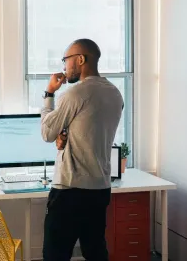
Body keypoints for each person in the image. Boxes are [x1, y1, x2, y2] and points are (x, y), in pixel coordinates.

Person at [40, 39, 124, 261]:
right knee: (95, 251)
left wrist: (49, 93)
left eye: (66, 60)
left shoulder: (75, 93)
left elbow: (47, 133)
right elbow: (89, 130)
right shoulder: (115, 93)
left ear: (80, 59)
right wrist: (65, 135)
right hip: (99, 189)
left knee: (55, 255)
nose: (64, 67)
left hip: (70, 189)